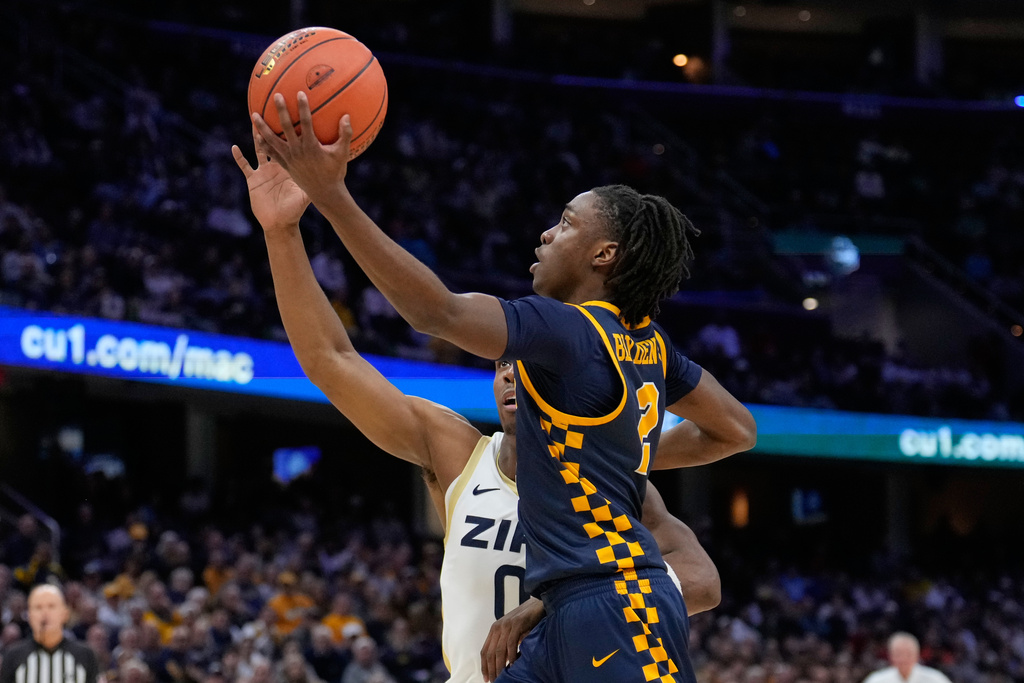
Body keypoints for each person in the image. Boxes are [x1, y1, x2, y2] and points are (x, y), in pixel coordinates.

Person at [240, 100, 756, 682]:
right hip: (561, 627)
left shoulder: (567, 335)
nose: (546, 231)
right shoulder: (465, 451)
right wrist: (282, 231)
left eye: (564, 223)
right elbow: (330, 359)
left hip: (608, 612)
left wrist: (332, 197)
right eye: (509, 363)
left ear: (603, 254)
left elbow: (436, 311)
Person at [0, 584, 101, 683]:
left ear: (64, 613)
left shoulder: (85, 655)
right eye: (38, 607)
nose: (45, 614)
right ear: (29, 615)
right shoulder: (13, 656)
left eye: (51, 606)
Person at [862, 633, 952, 683]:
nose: (903, 659)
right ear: (890, 656)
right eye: (898, 654)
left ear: (917, 656)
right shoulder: (877, 680)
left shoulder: (935, 679)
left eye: (908, 654)